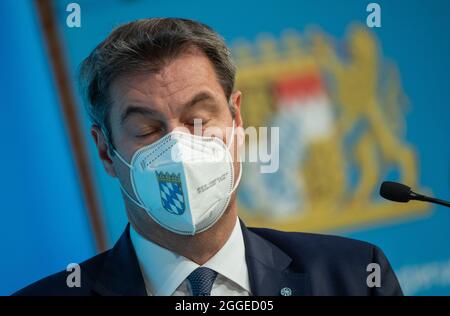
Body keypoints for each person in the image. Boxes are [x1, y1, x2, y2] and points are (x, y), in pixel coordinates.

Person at [15, 18, 402, 296]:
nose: (181, 148)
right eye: (148, 130)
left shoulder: (353, 277)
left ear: (237, 120)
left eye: (199, 119)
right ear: (106, 151)